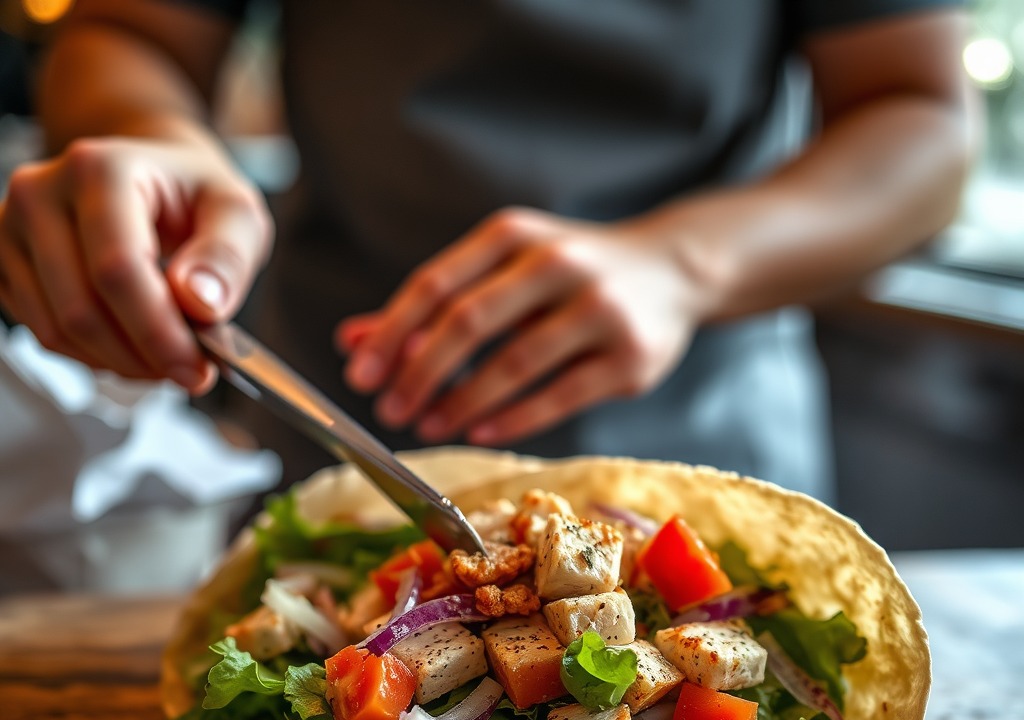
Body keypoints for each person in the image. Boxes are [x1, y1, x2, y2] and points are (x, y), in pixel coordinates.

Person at [0, 0, 974, 502]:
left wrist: (681, 264)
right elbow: (132, 33)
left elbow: (922, 117)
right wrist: (151, 135)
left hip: (705, 435)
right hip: (336, 437)